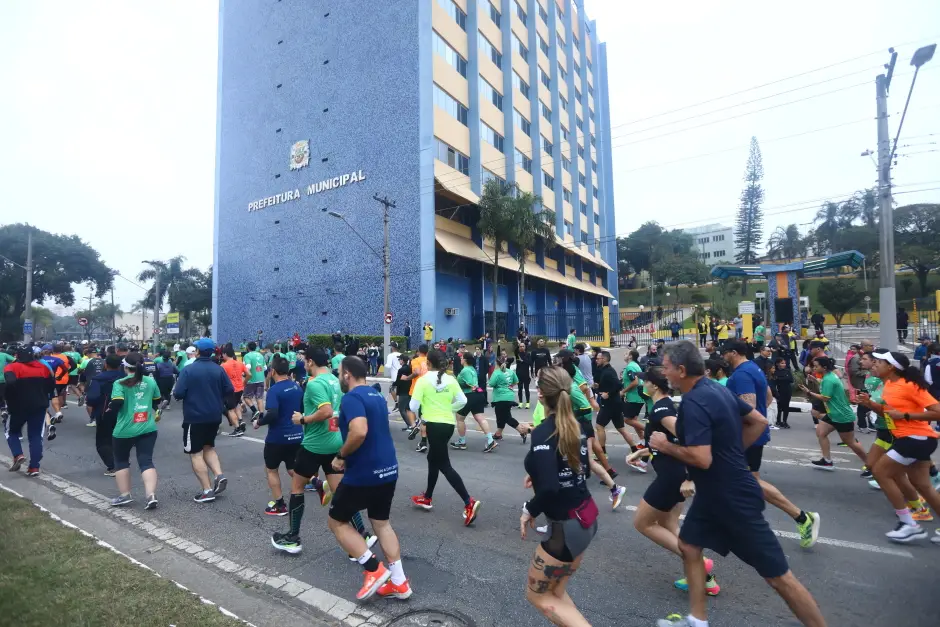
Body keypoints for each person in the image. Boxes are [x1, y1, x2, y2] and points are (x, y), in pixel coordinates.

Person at [652, 341, 827, 627]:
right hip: (712, 494)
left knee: (778, 576)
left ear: (681, 370)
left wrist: (665, 445)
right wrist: (731, 452)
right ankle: (697, 620)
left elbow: (701, 458)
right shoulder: (716, 389)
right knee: (689, 545)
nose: (664, 373)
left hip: (732, 496)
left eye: (667, 367)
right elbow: (758, 421)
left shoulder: (694, 402)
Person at [325, 356, 411, 600]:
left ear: (347, 374)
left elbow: (359, 431)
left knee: (336, 522)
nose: (338, 377)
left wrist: (341, 456)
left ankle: (374, 569)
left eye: (339, 373)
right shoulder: (376, 395)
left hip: (365, 473)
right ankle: (399, 582)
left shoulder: (352, 397)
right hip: (388, 469)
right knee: (381, 523)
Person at [722, 340, 821, 548]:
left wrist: (733, 426)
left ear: (733, 353)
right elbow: (768, 397)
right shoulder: (753, 368)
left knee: (747, 481)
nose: (723, 357)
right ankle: (745, 524)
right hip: (753, 435)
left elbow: (747, 408)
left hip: (746, 437)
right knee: (743, 482)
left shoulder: (741, 375)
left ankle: (801, 517)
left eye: (724, 353)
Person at [631, 367, 720, 596]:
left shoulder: (661, 409)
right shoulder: (666, 405)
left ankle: (698, 563)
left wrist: (690, 477)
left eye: (644, 381)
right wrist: (642, 452)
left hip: (672, 477)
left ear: (654, 385)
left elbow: (689, 438)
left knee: (642, 523)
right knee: (668, 524)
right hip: (675, 472)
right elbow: (669, 442)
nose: (642, 384)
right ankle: (704, 579)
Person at [519, 366, 597, 626]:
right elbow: (583, 470)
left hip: (566, 527)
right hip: (585, 518)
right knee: (556, 594)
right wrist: (538, 473)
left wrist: (529, 509)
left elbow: (550, 488)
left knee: (538, 595)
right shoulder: (577, 425)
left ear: (540, 393)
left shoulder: (544, 431)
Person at [854, 349, 940, 543]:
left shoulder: (909, 385)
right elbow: (889, 413)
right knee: (923, 486)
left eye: (879, 362)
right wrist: (869, 404)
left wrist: (906, 416)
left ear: (891, 367)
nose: (874, 365)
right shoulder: (889, 385)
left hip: (915, 438)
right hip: (910, 439)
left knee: (880, 471)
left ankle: (909, 524)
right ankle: (911, 522)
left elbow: (937, 411)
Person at [409, 350, 482, 525]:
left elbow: (413, 406)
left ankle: (469, 502)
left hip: (433, 425)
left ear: (428, 363)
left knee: (444, 464)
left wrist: (428, 409)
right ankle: (427, 497)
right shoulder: (451, 379)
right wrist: (448, 409)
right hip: (448, 425)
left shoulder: (423, 380)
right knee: (433, 458)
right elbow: (462, 401)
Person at [173, 338, 233, 503]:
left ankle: (207, 490)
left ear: (197, 351)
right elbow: (229, 389)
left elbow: (178, 393)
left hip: (195, 417)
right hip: (214, 416)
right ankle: (219, 475)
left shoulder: (188, 370)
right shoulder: (219, 369)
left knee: (195, 453)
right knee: (209, 447)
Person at [105, 353, 161, 509]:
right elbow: (157, 400)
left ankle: (125, 495)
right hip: (147, 427)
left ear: (125, 367)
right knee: (146, 461)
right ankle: (151, 495)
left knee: (121, 461)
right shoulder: (150, 381)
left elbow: (117, 402)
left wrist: (109, 409)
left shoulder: (119, 383)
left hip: (124, 429)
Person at [802, 356, 869, 470]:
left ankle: (871, 465)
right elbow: (825, 385)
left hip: (841, 415)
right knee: (821, 432)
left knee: (850, 442)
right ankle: (827, 461)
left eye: (816, 366)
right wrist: (815, 380)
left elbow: (825, 398)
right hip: (833, 414)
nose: (814, 368)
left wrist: (809, 392)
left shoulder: (828, 379)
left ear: (824, 367)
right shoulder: (829, 376)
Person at [3, 345, 55, 477]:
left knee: (11, 432)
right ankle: (34, 467)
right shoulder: (43, 367)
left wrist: (9, 398)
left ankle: (18, 454)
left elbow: (10, 383)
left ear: (17, 355)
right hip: (39, 406)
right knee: (35, 436)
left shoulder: (11, 367)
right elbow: (51, 386)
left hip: (18, 406)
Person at [85, 354, 126, 476]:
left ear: (106, 364)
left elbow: (92, 398)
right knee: (121, 438)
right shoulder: (126, 378)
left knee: (103, 441)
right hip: (124, 411)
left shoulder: (98, 379)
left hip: (105, 412)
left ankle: (113, 466)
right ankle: (122, 462)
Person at [450, 352, 496, 452]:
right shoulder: (472, 369)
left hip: (469, 395)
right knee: (479, 417)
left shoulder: (465, 370)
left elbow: (470, 383)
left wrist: (457, 382)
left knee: (459, 418)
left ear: (465, 360)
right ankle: (490, 440)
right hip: (478, 395)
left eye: (462, 358)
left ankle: (462, 441)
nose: (460, 359)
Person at [489, 356, 526, 443]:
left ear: (497, 363)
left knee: (506, 417)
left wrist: (500, 385)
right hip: (509, 396)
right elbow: (516, 381)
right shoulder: (510, 371)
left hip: (500, 397)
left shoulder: (497, 373)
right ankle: (498, 434)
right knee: (500, 416)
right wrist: (510, 385)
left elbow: (491, 384)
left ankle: (522, 431)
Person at [403, 344, 429, 452]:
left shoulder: (416, 360)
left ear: (418, 351)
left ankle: (414, 425)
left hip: (416, 389)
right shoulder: (430, 360)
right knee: (424, 416)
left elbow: (417, 372)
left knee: (408, 408)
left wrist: (407, 378)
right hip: (429, 389)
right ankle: (423, 441)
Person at [847, 340, 874, 433]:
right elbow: (854, 371)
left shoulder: (868, 356)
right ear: (864, 346)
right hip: (861, 384)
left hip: (869, 384)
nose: (872, 347)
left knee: (870, 404)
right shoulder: (856, 358)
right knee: (862, 406)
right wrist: (868, 372)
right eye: (870, 345)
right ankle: (862, 425)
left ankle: (871, 424)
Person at [221, 347, 249, 437]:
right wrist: (244, 382)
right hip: (240, 388)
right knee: (236, 405)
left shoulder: (223, 366)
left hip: (230, 389)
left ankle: (237, 429)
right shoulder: (240, 363)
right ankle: (240, 420)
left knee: (230, 410)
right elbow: (249, 374)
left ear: (225, 354)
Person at [393, 355, 414, 429]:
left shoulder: (401, 370)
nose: (399, 361)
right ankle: (413, 424)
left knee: (401, 409)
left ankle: (410, 425)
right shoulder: (410, 368)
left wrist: (393, 385)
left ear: (402, 360)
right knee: (408, 408)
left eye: (399, 359)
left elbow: (398, 381)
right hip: (410, 390)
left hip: (403, 391)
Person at [773, 357, 794, 429]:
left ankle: (785, 421)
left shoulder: (787, 371)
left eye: (784, 363)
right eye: (782, 363)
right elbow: (775, 380)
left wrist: (780, 378)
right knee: (779, 406)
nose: (784, 364)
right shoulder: (775, 371)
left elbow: (791, 380)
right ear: (777, 364)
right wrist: (785, 378)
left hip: (787, 390)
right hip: (779, 390)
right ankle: (778, 420)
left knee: (786, 406)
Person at [516, 342, 533, 409]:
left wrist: (523, 361)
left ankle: (527, 403)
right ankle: (520, 402)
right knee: (520, 389)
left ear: (525, 347)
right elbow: (515, 351)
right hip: (519, 374)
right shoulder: (517, 354)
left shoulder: (528, 354)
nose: (522, 347)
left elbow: (530, 363)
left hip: (526, 374)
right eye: (520, 346)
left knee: (526, 389)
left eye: (523, 346)